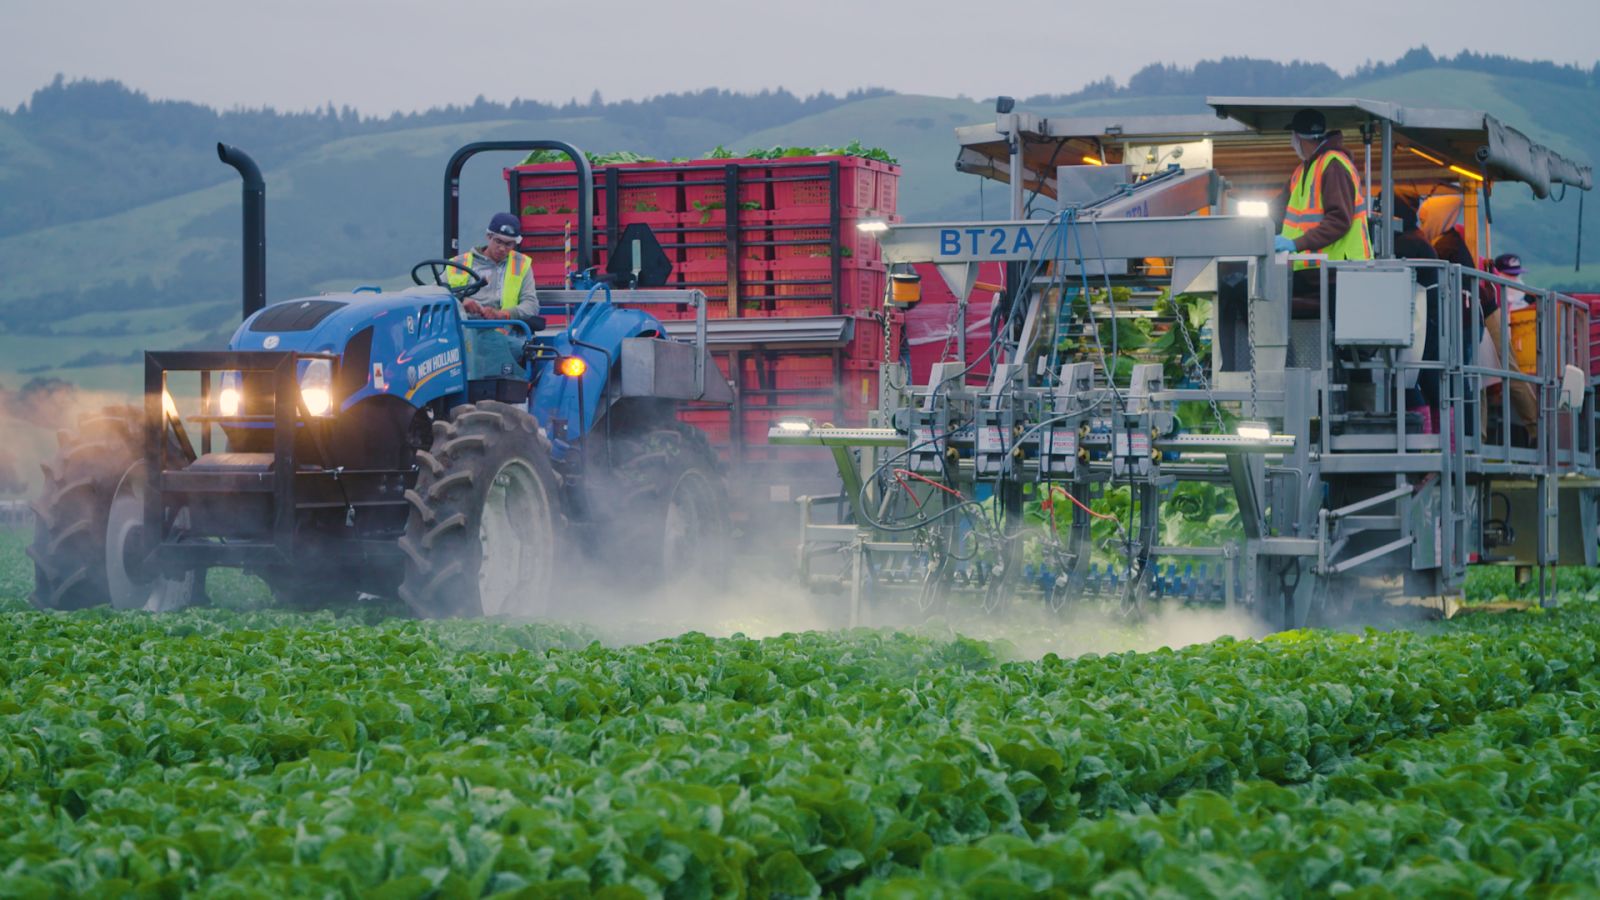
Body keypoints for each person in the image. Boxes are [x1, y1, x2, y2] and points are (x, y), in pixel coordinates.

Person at [1275, 109, 1372, 310]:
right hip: (1315, 271)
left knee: (1248, 292)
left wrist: (1295, 244)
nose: (1291, 143)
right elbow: (1276, 211)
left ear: (1299, 138)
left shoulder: (1333, 165)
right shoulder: (1302, 171)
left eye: (1292, 136)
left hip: (1339, 271)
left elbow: (1339, 220)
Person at [447, 212, 539, 320]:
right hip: (463, 325)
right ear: (489, 236)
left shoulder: (521, 264)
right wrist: (460, 300)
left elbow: (531, 305)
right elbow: (435, 292)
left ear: (515, 244)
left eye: (508, 244)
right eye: (498, 241)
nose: (502, 248)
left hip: (502, 326)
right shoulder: (459, 262)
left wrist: (503, 314)